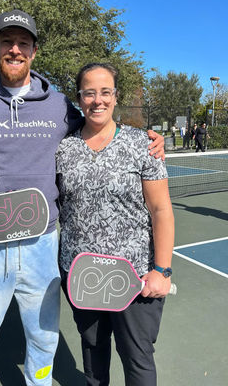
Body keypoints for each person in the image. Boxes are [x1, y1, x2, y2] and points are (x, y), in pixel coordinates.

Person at [0, 10, 165, 386]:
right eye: (7, 42)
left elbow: (99, 120)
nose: (15, 50)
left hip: (42, 249)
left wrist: (145, 137)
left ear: (34, 50)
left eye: (23, 43)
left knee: (43, 347)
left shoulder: (59, 106)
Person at [56, 62, 174, 386]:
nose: (98, 100)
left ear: (115, 96)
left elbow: (161, 209)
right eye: (89, 93)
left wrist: (162, 271)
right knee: (93, 358)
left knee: (137, 360)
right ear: (79, 99)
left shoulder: (143, 144)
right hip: (81, 274)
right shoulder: (62, 148)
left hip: (135, 278)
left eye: (105, 92)